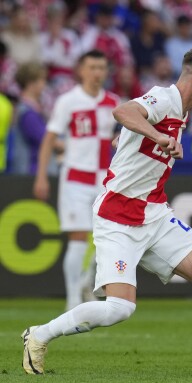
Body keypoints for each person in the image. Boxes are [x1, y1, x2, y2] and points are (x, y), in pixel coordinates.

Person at [21, 46, 192, 377]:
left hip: (154, 213)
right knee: (119, 308)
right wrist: (157, 135)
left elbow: (131, 124)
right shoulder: (165, 98)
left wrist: (133, 137)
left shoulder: (182, 110)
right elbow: (124, 111)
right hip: (118, 216)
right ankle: (39, 336)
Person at [33, 50, 119, 311]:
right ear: (81, 70)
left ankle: (85, 282)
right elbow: (49, 139)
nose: (97, 73)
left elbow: (121, 137)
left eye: (102, 67)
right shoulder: (68, 101)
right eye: (92, 67)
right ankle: (72, 300)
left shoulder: (114, 102)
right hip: (75, 177)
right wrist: (41, 176)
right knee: (78, 237)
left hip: (105, 179)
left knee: (107, 238)